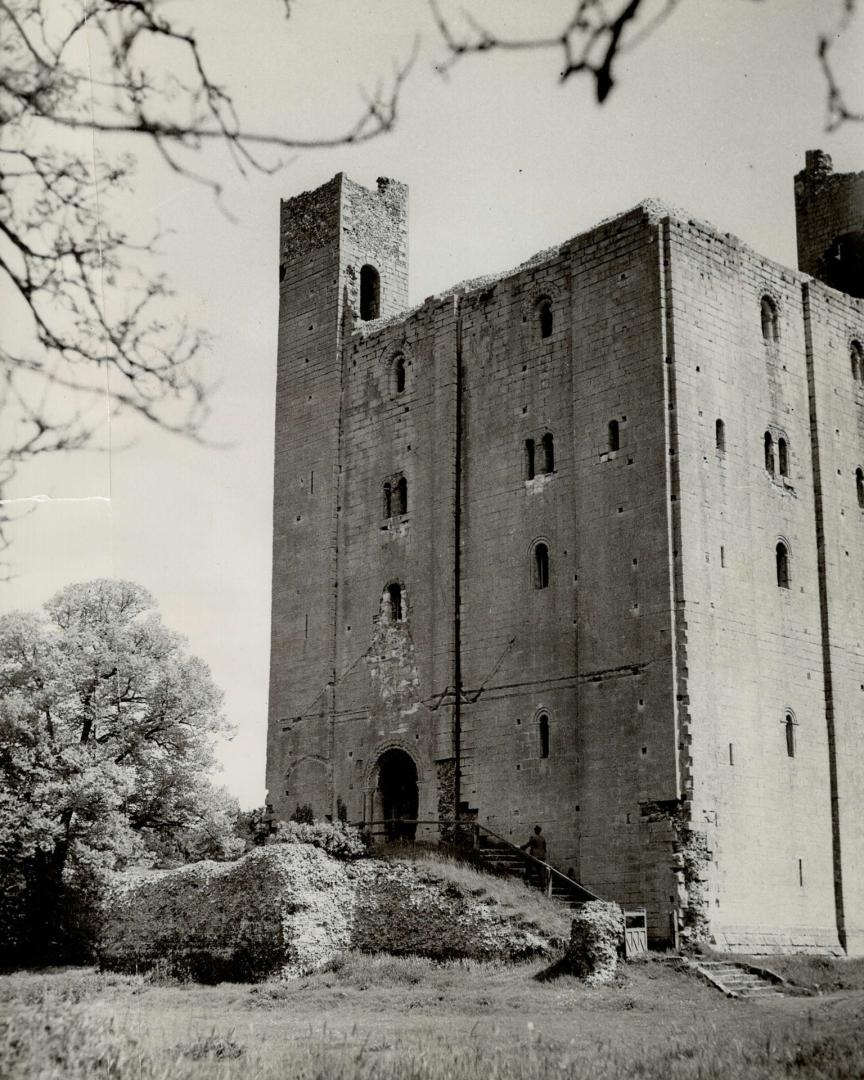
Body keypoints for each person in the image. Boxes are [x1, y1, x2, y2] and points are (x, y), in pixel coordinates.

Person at [521, 825, 549, 890]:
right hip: (542, 856)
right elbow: (545, 849)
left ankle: (528, 880)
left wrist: (521, 847)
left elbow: (527, 845)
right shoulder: (543, 838)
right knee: (541, 871)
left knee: (528, 866)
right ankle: (543, 886)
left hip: (535, 856)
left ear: (535, 831)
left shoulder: (533, 838)